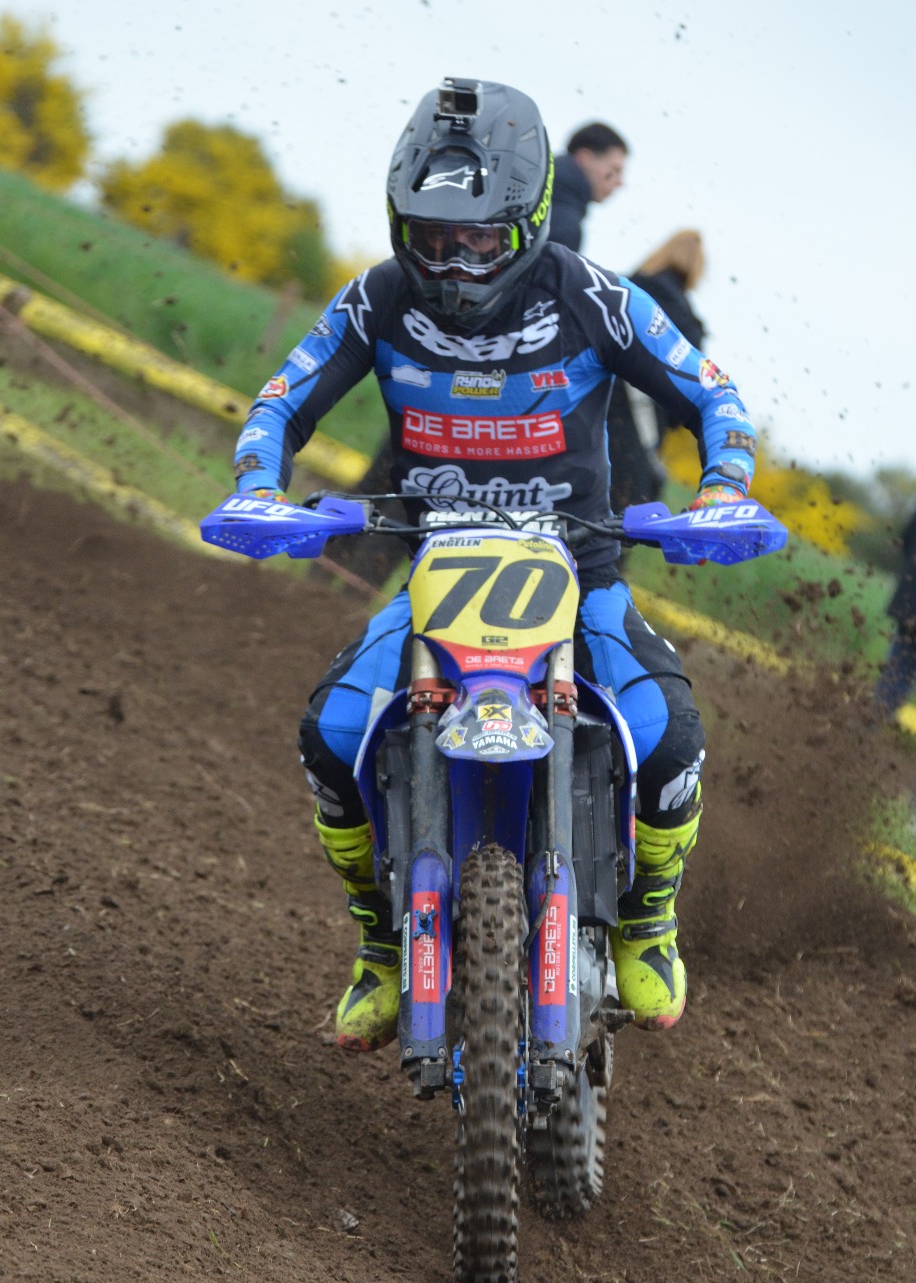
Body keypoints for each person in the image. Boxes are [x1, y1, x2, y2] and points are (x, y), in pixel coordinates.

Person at [232, 77, 756, 1050]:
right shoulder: (378, 296)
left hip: (581, 571)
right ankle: (380, 948)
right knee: (330, 741)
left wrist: (723, 487)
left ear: (528, 216)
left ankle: (648, 921)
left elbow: (712, 394)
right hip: (440, 571)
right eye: (430, 237)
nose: (452, 260)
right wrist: (258, 484)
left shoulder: (595, 296)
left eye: (477, 239)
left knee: (670, 739)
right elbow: (281, 399)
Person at [607, 229, 709, 510]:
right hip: (636, 446)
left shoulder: (619, 292)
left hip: (583, 428)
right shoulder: (688, 325)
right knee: (615, 529)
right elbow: (683, 404)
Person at [548, 120, 628, 253]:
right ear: (585, 158)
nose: (620, 182)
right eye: (614, 170)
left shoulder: (535, 187)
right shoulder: (565, 225)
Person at [875, 506, 916, 716]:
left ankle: (870, 723)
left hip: (911, 601)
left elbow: (907, 539)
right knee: (899, 672)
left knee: (897, 671)